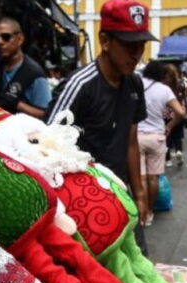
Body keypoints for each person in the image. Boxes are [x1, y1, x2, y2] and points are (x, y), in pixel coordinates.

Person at [45, 0, 156, 239]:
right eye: (129, 45)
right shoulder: (80, 85)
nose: (137, 54)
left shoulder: (134, 83)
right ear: (105, 41)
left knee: (137, 264)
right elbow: (45, 146)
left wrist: (139, 193)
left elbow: (131, 141)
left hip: (121, 193)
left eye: (141, 45)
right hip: (83, 201)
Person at [137, 61, 185, 225]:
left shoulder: (137, 83)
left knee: (141, 178)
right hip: (157, 136)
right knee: (153, 178)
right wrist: (170, 126)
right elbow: (180, 112)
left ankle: (141, 215)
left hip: (136, 137)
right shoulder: (164, 90)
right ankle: (150, 212)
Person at [0, 17, 51, 118]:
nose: (0, 42)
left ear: (20, 39)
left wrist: (18, 105)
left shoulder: (34, 74)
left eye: (6, 37)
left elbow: (46, 114)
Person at [163, 63, 186, 168]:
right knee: (178, 135)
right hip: (178, 110)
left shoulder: (163, 84)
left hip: (166, 112)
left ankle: (167, 159)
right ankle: (178, 151)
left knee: (166, 135)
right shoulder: (180, 83)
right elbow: (185, 94)